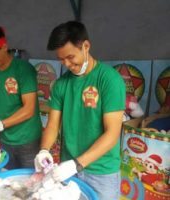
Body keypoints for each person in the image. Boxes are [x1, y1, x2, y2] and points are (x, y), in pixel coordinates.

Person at [34, 21, 126, 200]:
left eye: (70, 57)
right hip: (68, 170)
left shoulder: (109, 80)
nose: (66, 64)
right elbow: (53, 126)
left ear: (86, 46)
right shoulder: (61, 85)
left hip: (101, 172)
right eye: (61, 59)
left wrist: (77, 164)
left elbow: (112, 133)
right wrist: (44, 150)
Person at [0, 26, 42, 169]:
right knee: (8, 181)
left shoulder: (24, 70)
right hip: (5, 140)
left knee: (30, 182)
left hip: (28, 139)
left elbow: (29, 109)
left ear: (4, 47)